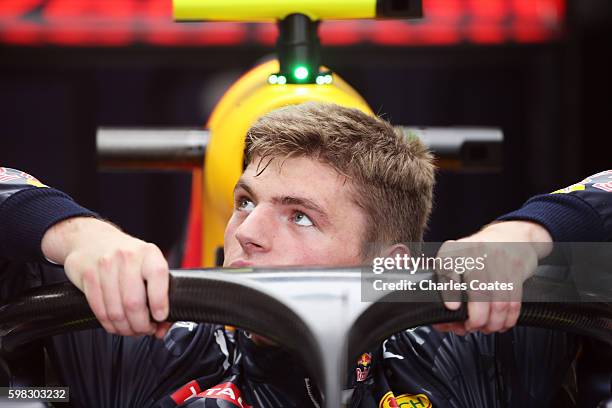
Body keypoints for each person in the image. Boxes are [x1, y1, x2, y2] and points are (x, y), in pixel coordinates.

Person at [0, 103, 610, 407]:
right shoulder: (139, 339)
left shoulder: (475, 345)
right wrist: (78, 236)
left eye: (299, 216)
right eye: (245, 200)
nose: (246, 232)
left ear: (389, 259)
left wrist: (526, 236)